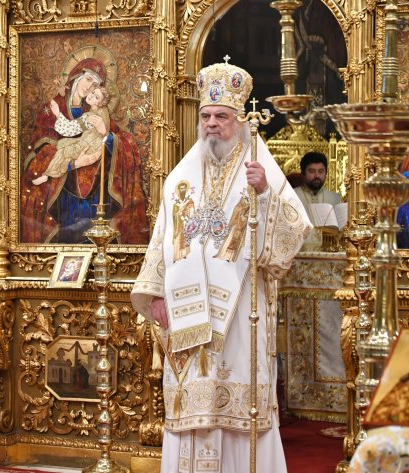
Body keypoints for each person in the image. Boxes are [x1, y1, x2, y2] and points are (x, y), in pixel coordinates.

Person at [130, 59, 311, 473]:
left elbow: (294, 231)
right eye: (206, 116)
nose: (212, 124)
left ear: (239, 121)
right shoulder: (180, 176)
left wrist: (265, 194)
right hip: (187, 314)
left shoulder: (259, 169)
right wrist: (155, 296)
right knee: (191, 404)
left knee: (237, 400)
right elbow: (160, 240)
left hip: (240, 313)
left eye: (222, 117)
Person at [20, 56, 148, 244]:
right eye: (88, 79)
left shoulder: (95, 110)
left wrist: (108, 137)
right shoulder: (53, 107)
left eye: (95, 85)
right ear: (76, 76)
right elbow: (40, 147)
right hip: (63, 189)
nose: (89, 88)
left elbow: (118, 138)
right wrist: (73, 163)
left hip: (93, 188)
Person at [32, 86, 111, 185]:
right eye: (93, 92)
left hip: (89, 146)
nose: (91, 96)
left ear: (99, 103)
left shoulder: (89, 117)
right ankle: (48, 174)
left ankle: (47, 175)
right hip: (95, 145)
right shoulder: (103, 111)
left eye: (96, 97)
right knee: (62, 143)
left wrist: (57, 113)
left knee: (63, 151)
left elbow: (69, 130)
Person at [294, 151, 342, 250]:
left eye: (321, 171)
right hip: (300, 254)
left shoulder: (336, 199)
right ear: (303, 173)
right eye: (312, 171)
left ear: (326, 173)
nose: (317, 176)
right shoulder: (292, 196)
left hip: (329, 254)